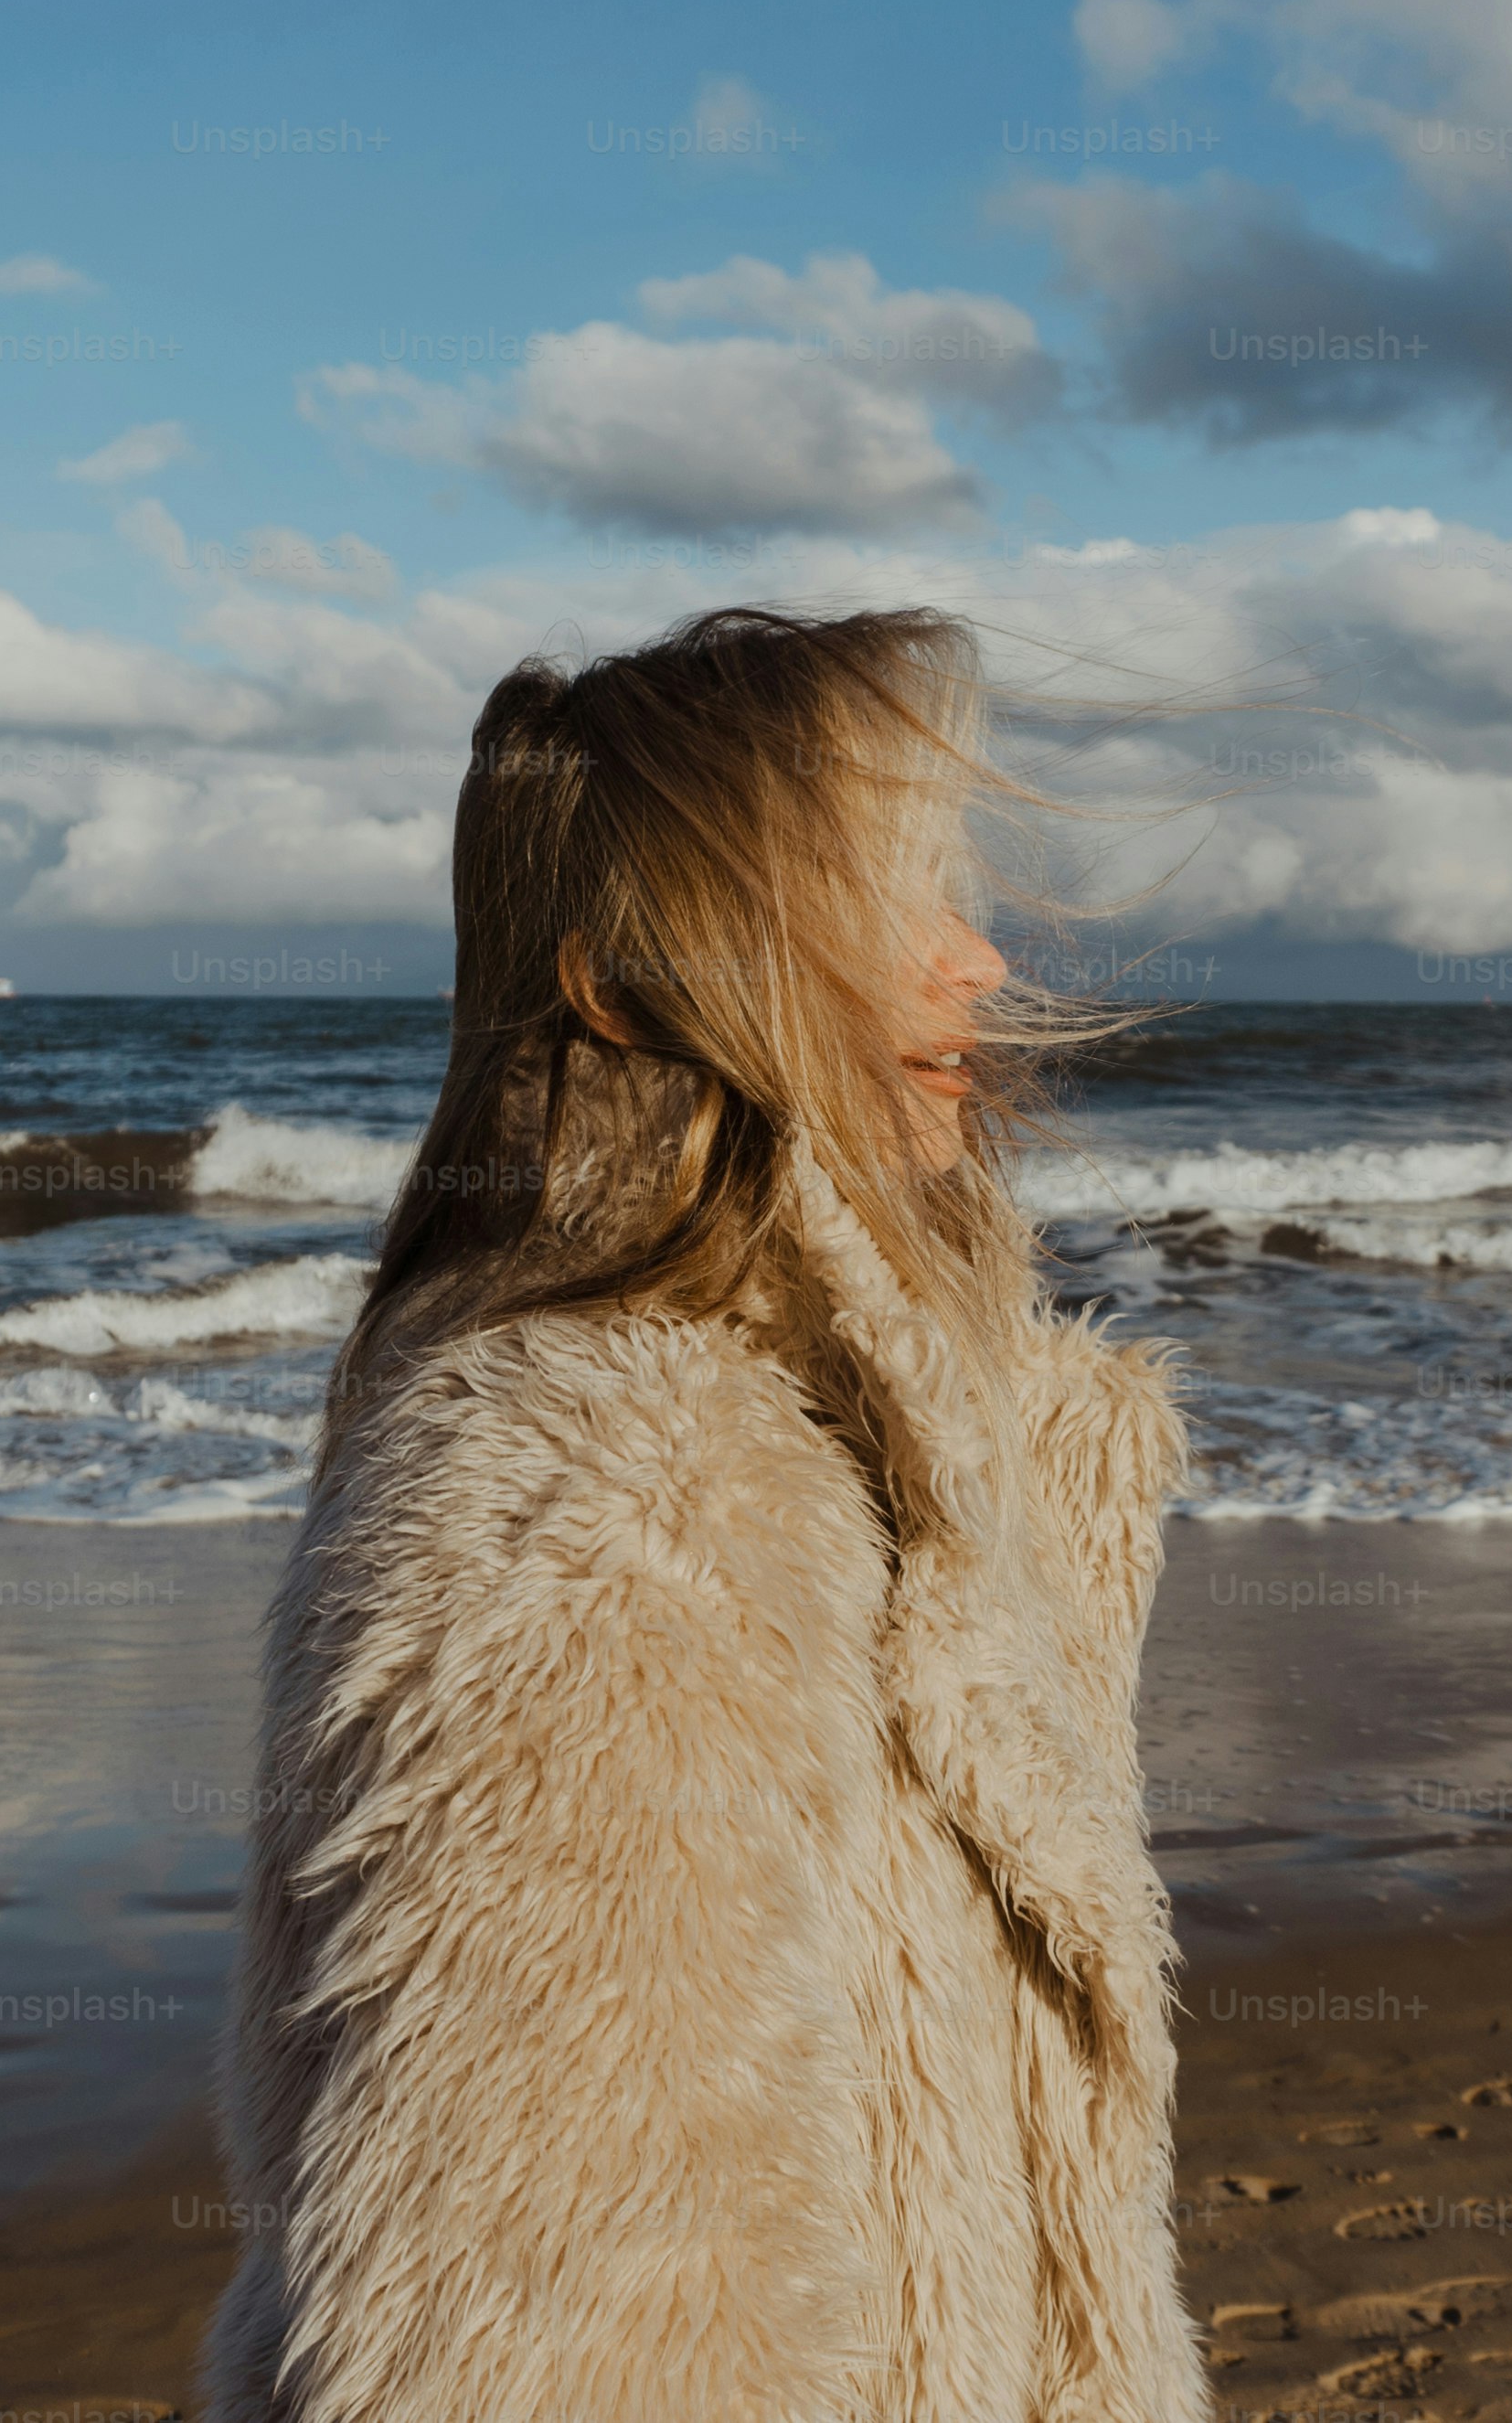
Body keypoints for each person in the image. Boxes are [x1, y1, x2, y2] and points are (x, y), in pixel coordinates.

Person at [206, 608, 1208, 2421]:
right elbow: (566, 2333)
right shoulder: (606, 1504)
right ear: (623, 984)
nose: (976, 956)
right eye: (889, 895)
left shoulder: (920, 1443)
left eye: (954, 886)